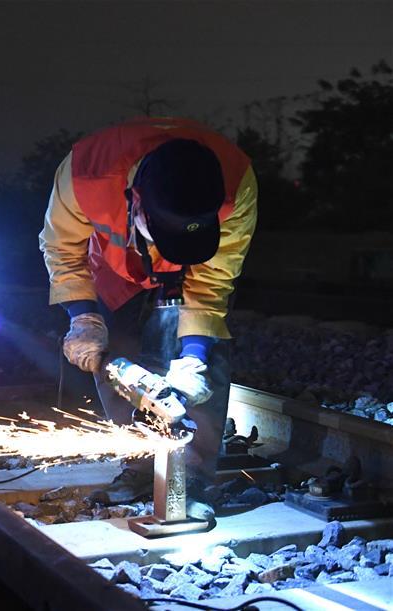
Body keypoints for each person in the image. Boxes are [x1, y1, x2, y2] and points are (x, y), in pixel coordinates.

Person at [39, 117, 258, 504]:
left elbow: (212, 284)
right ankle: (140, 467)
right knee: (115, 353)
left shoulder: (236, 184)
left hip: (194, 275)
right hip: (115, 268)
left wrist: (194, 358)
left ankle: (192, 476)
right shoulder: (85, 174)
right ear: (136, 202)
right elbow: (61, 249)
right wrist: (83, 318)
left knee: (209, 352)